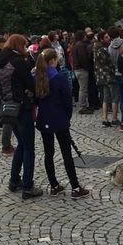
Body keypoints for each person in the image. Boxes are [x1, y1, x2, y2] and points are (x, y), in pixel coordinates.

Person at [35, 48, 90, 199]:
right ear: (52, 61)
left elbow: (36, 99)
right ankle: (75, 187)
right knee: (66, 154)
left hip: (44, 119)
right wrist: (67, 117)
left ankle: (54, 185)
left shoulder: (38, 77)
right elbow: (67, 100)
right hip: (59, 119)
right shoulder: (58, 78)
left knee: (48, 153)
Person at [0, 34, 41, 199]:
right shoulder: (17, 62)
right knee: (29, 147)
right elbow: (30, 84)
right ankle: (28, 187)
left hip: (8, 107)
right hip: (21, 107)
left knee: (21, 144)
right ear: (18, 45)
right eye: (24, 45)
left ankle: (14, 180)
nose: (25, 48)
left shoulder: (1, 60)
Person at [93, 30, 116, 128]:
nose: (108, 38)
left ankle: (104, 118)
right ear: (101, 39)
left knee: (105, 98)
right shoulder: (103, 50)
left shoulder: (96, 49)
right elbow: (109, 64)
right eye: (106, 37)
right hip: (108, 76)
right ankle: (114, 118)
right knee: (114, 97)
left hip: (101, 76)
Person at [71, 30, 93, 114]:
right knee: (83, 89)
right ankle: (82, 106)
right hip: (81, 69)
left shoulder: (74, 45)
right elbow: (82, 58)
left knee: (82, 88)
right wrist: (86, 67)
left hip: (77, 69)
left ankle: (83, 105)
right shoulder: (80, 45)